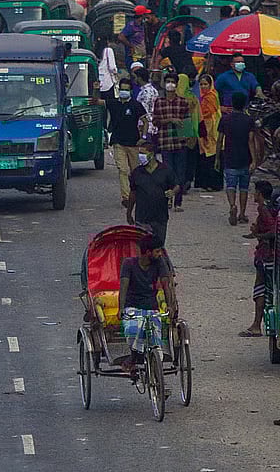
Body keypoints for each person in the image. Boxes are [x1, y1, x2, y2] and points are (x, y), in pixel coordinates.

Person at [119, 233, 177, 374]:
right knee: (133, 330)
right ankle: (134, 357)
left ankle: (156, 372)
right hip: (132, 306)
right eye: (157, 251)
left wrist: (170, 305)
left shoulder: (160, 263)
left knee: (155, 335)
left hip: (151, 307)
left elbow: (166, 285)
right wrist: (121, 308)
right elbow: (123, 288)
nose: (160, 254)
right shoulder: (128, 264)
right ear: (147, 252)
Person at [241, 180, 280, 337]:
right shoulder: (268, 208)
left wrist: (259, 235)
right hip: (267, 256)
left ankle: (257, 325)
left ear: (260, 194)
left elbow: (273, 231)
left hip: (266, 257)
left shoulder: (264, 209)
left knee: (261, 291)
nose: (253, 195)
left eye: (255, 192)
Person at [126, 136, 179, 245]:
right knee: (143, 248)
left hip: (160, 218)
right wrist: (129, 212)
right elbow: (133, 193)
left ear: (152, 154)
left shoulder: (165, 170)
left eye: (143, 153)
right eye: (140, 153)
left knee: (158, 247)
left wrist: (172, 192)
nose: (141, 156)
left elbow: (176, 185)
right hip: (142, 218)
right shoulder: (137, 172)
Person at [153, 72, 191, 212]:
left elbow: (187, 121)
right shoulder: (159, 102)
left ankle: (178, 202)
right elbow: (155, 122)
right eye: (167, 81)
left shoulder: (183, 102)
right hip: (165, 142)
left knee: (180, 174)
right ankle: (168, 199)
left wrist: (186, 137)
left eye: (172, 82)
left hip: (180, 143)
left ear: (176, 84)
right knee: (168, 173)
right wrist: (170, 120)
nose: (170, 84)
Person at [220, 91, 259, 225]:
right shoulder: (249, 120)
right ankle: (242, 214)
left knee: (230, 185)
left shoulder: (225, 119)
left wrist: (217, 158)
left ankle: (232, 206)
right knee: (244, 188)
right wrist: (254, 160)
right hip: (245, 158)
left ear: (232, 103)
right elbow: (251, 140)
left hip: (230, 156)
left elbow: (220, 139)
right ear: (244, 105)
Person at [108, 77, 147, 211]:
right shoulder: (114, 104)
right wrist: (96, 89)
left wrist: (144, 137)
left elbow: (145, 121)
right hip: (118, 142)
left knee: (135, 172)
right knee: (123, 170)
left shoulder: (136, 105)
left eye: (126, 89)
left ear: (131, 91)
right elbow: (98, 102)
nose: (124, 92)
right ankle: (126, 197)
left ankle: (137, 194)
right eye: (122, 89)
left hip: (133, 143)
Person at [194, 73, 222, 190]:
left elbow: (209, 113)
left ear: (210, 85)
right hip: (205, 126)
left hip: (212, 128)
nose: (203, 86)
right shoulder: (203, 97)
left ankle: (213, 184)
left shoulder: (211, 96)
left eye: (205, 84)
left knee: (212, 156)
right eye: (201, 84)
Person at [97, 36, 119, 113]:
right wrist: (116, 73)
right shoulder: (108, 50)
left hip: (99, 84)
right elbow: (112, 67)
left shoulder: (94, 50)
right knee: (110, 106)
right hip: (108, 84)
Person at [134, 67, 158, 135]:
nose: (134, 79)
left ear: (140, 78)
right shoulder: (153, 90)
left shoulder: (146, 92)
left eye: (135, 77)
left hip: (146, 128)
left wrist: (142, 127)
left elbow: (144, 111)